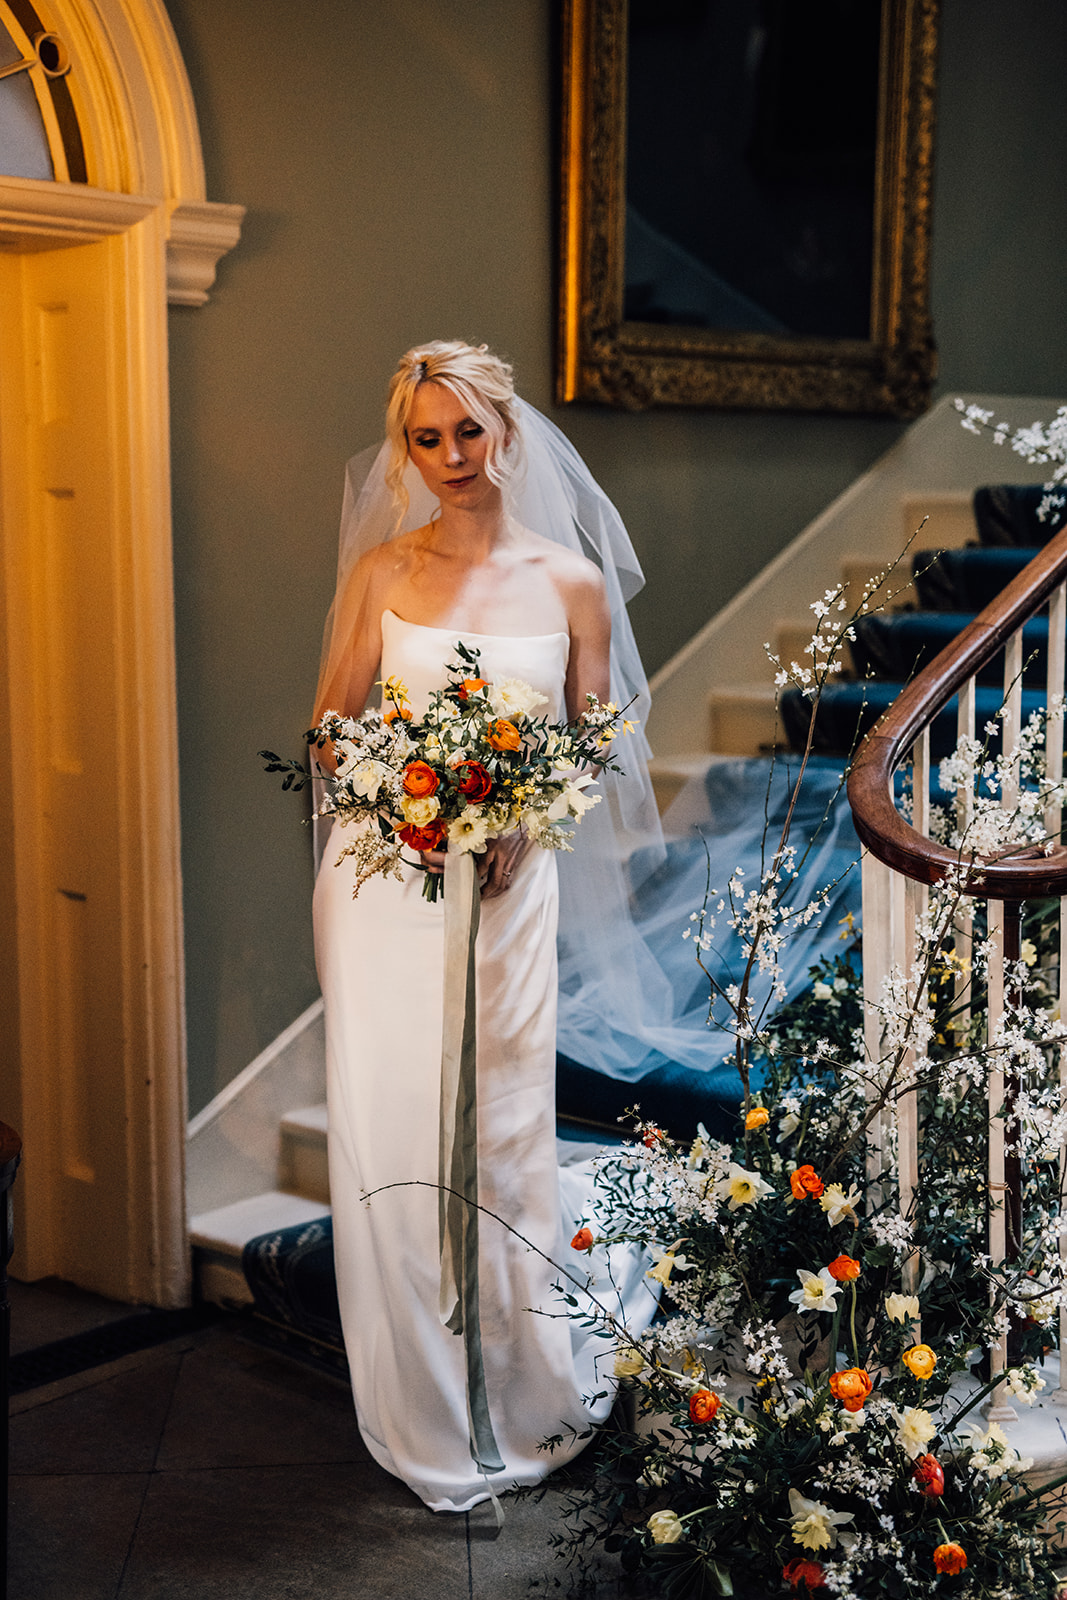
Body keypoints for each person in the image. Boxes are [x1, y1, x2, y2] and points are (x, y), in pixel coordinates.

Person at [312, 341, 657, 1513]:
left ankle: (519, 1390)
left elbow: (598, 729)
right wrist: (393, 796)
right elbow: (328, 724)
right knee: (397, 1126)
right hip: (386, 886)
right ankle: (418, 1393)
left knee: (502, 1132)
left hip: (509, 890)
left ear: (506, 431)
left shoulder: (568, 579)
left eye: (467, 431)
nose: (450, 457)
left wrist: (519, 814)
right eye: (426, 438)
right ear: (403, 447)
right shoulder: (379, 570)